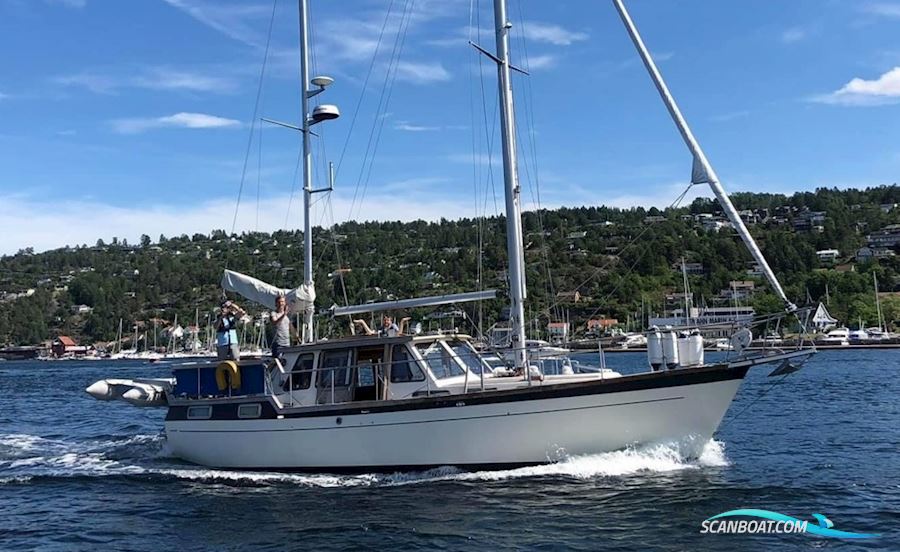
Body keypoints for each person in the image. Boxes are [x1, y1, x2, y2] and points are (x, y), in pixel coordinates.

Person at [269, 295, 292, 360]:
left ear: (285, 303)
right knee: (278, 362)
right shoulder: (273, 313)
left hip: (287, 343)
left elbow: (290, 326)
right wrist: (283, 315)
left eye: (282, 302)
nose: (281, 304)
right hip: (278, 343)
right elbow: (275, 322)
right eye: (279, 302)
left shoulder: (287, 316)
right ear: (276, 303)